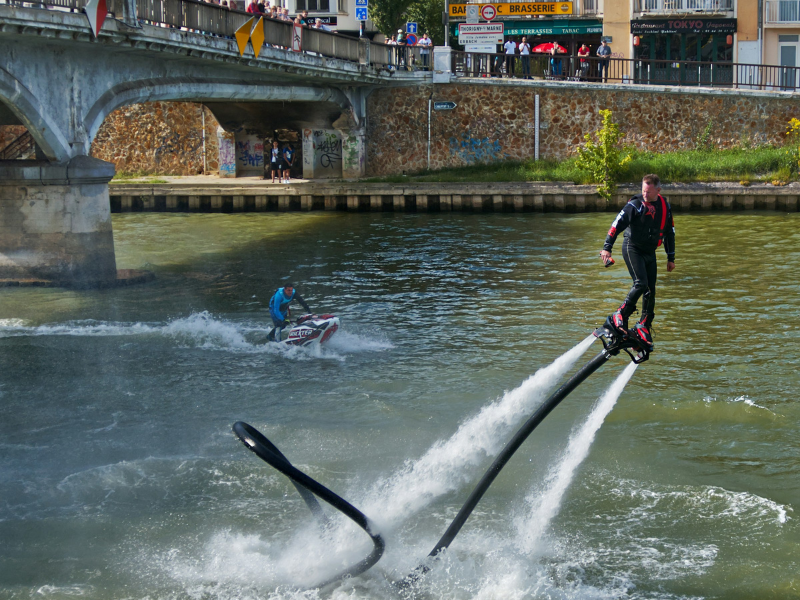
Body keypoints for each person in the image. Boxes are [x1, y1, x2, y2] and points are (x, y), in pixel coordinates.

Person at [600, 174, 676, 350]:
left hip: (650, 252)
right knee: (641, 283)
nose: (645, 195)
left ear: (658, 190)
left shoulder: (666, 207)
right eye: (643, 191)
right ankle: (620, 314)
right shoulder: (635, 205)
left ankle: (643, 325)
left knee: (650, 290)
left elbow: (669, 233)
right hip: (632, 248)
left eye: (649, 192)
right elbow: (616, 224)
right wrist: (607, 247)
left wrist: (670, 258)